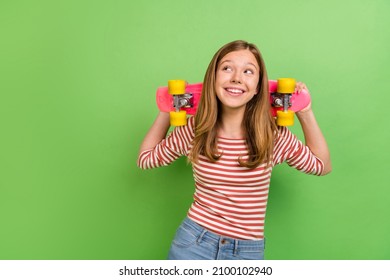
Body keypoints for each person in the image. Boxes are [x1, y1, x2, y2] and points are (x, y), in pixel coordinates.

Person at [137, 40, 331, 260]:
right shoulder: (195, 130)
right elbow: (146, 159)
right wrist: (168, 107)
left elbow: (321, 165)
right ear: (213, 79)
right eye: (227, 68)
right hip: (193, 244)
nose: (236, 77)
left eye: (248, 71)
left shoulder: (272, 136)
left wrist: (305, 112)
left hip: (246, 252)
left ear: (258, 87)